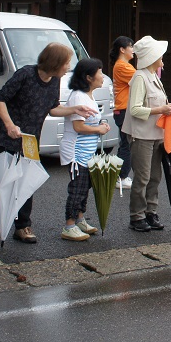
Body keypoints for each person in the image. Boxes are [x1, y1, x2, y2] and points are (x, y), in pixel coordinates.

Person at [0, 43, 96, 246]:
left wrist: (75, 109)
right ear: (55, 62)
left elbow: (53, 108)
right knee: (0, 182)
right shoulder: (25, 74)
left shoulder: (55, 79)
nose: (68, 67)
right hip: (8, 136)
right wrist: (9, 125)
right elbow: (0, 99)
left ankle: (22, 226)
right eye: (66, 63)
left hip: (30, 139)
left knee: (27, 181)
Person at [124, 35, 171, 232]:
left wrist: (167, 107)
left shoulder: (153, 74)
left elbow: (154, 104)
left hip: (156, 134)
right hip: (141, 135)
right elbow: (135, 110)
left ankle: (150, 212)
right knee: (143, 176)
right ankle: (137, 216)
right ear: (152, 57)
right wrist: (161, 110)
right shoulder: (140, 77)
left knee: (155, 176)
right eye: (160, 56)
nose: (162, 59)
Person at [59, 58, 111, 241]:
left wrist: (101, 123)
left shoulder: (88, 95)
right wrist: (98, 129)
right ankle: (69, 225)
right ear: (89, 77)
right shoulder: (78, 96)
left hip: (87, 154)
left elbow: (91, 120)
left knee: (85, 187)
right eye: (99, 72)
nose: (103, 76)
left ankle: (80, 219)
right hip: (77, 154)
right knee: (77, 189)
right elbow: (78, 127)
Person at [110, 36, 136, 187]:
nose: (133, 50)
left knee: (125, 144)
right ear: (122, 49)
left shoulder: (122, 65)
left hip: (123, 109)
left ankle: (121, 176)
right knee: (127, 145)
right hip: (124, 109)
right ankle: (122, 177)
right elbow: (140, 80)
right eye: (130, 47)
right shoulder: (122, 66)